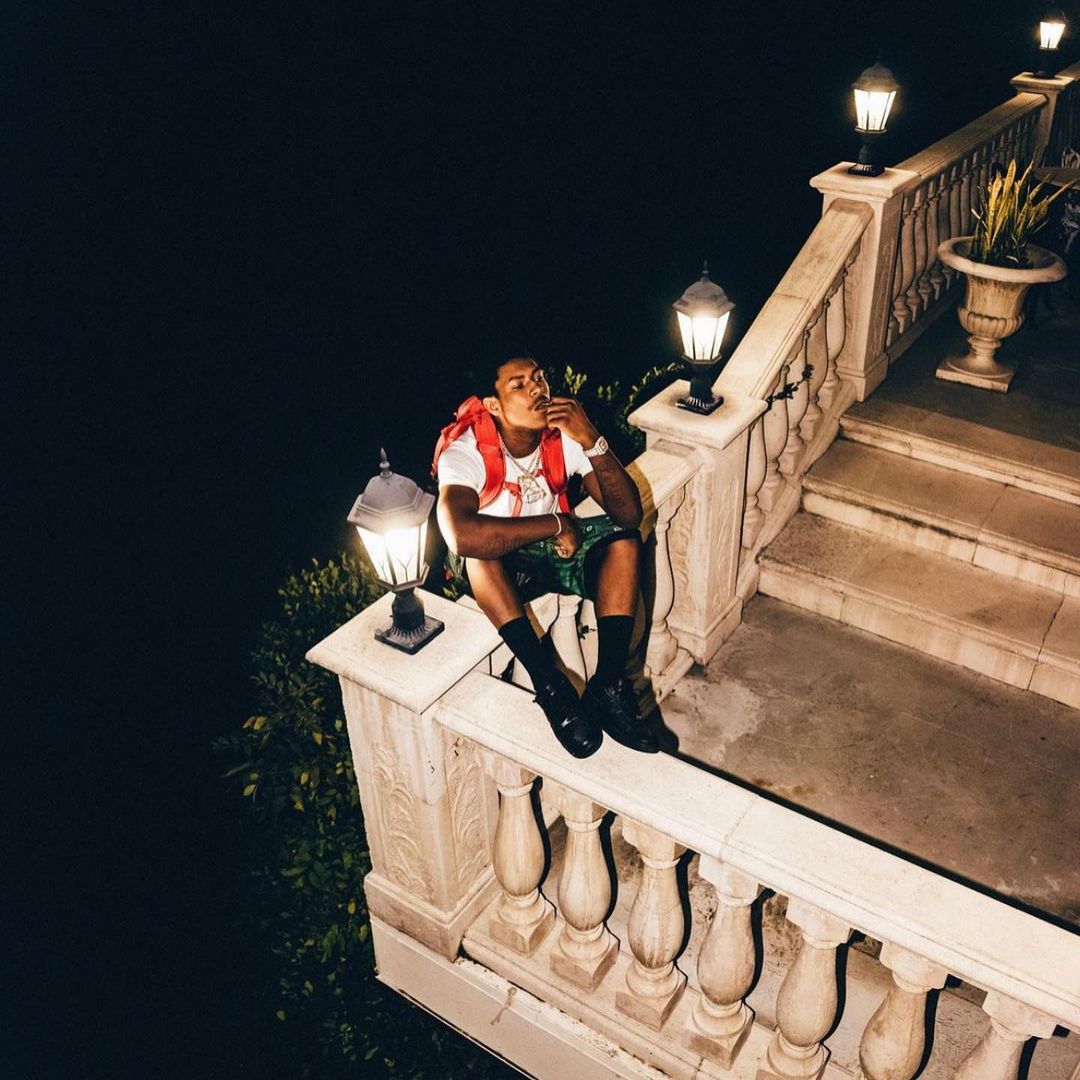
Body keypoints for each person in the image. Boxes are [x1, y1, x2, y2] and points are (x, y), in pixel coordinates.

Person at [434, 352, 659, 758]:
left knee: (624, 541)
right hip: (500, 564)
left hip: (549, 554)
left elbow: (628, 514)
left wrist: (591, 438)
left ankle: (609, 686)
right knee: (479, 556)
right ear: (493, 404)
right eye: (518, 385)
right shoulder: (466, 452)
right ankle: (551, 687)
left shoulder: (561, 436)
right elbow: (462, 536)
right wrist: (556, 523)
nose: (537, 389)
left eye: (538, 378)